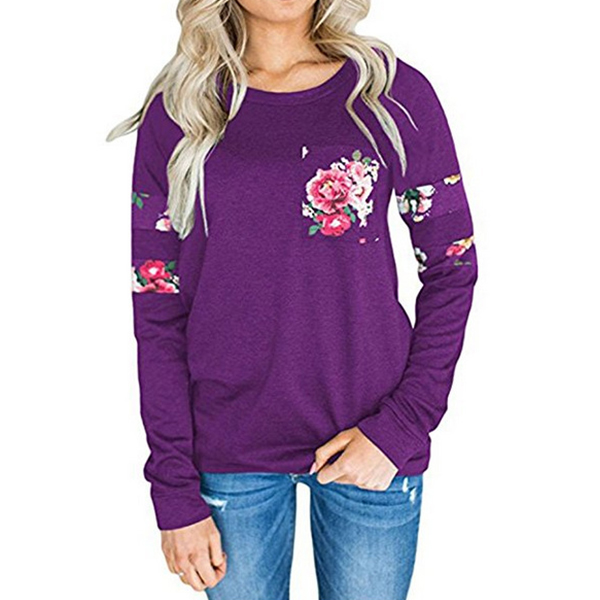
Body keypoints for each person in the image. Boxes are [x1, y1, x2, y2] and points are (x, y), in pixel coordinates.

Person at [107, 1, 478, 598]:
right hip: (227, 448)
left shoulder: (390, 93)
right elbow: (156, 306)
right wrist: (173, 489)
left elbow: (452, 265)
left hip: (373, 443)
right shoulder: (182, 109)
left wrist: (403, 426)